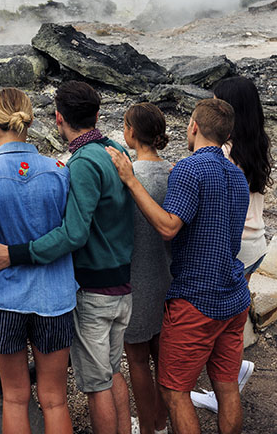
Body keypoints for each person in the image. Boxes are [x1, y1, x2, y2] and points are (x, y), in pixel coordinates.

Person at [0, 81, 135, 434]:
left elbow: (74, 233)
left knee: (97, 386)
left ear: (57, 119)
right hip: (122, 283)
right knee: (113, 373)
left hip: (95, 287)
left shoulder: (81, 164)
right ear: (97, 115)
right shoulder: (114, 150)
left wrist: (17, 253)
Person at [106, 98, 250, 434]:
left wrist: (131, 180)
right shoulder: (237, 175)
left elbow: (169, 227)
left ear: (194, 127)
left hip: (197, 298)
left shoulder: (190, 169)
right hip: (235, 294)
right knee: (226, 387)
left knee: (174, 390)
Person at [0, 87, 75, 434]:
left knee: (15, 397)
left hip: (5, 300)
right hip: (56, 298)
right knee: (55, 399)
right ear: (30, 121)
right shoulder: (59, 171)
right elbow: (71, 232)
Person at [190, 76, 272, 412]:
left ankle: (226, 381)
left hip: (234, 243)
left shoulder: (223, 152)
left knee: (214, 319)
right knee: (232, 318)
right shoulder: (258, 142)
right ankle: (236, 370)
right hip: (257, 242)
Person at [121, 103, 172, 434]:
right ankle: (164, 420)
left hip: (136, 279)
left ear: (132, 133)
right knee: (163, 358)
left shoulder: (130, 178)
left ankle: (149, 427)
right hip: (167, 278)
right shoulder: (176, 173)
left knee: (137, 360)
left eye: (124, 125)